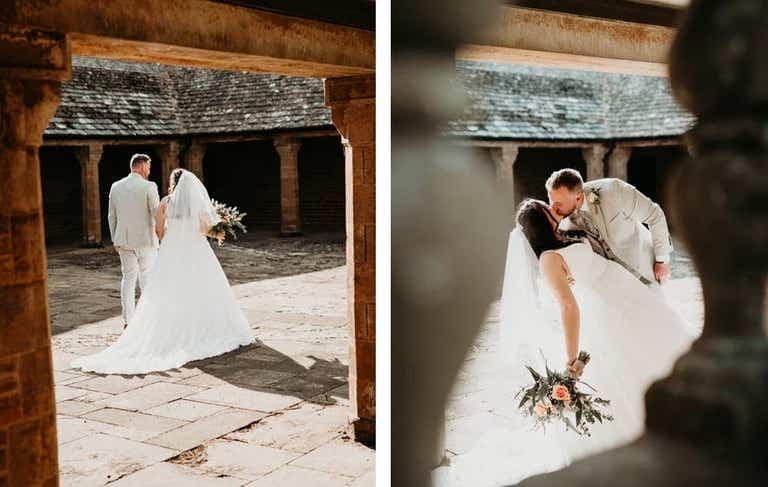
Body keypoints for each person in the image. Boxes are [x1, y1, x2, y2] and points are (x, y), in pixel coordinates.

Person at [72, 169, 255, 374]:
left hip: (171, 250)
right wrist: (218, 227)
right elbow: (205, 229)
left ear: (173, 183)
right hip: (196, 250)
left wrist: (171, 239)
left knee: (168, 290)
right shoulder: (196, 204)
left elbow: (158, 230)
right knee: (203, 287)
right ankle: (205, 328)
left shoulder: (165, 202)